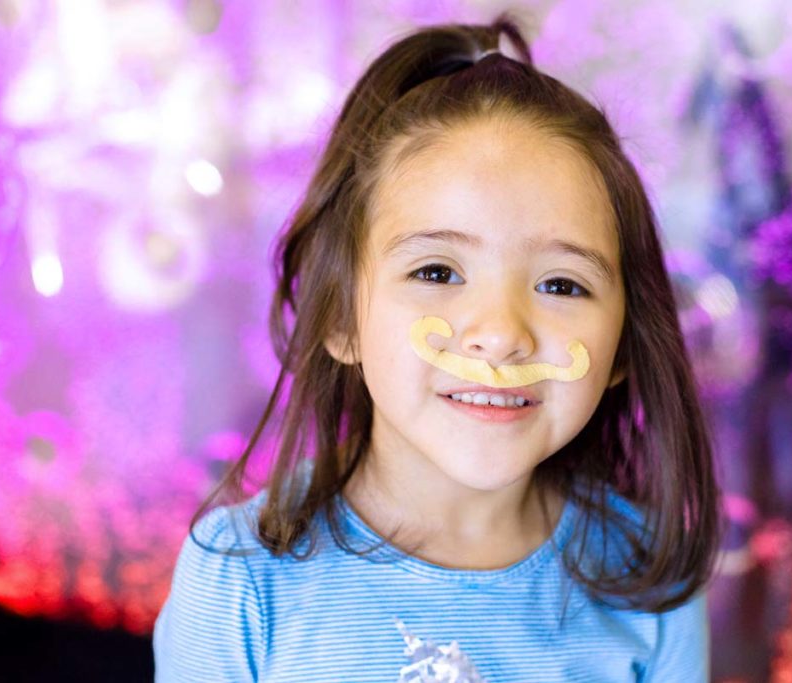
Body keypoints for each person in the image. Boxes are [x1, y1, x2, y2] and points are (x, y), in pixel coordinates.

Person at [153, 14, 720, 682]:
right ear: (341, 317)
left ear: (624, 340)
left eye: (562, 283)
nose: (501, 331)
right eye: (437, 272)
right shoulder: (238, 581)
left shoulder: (649, 582)